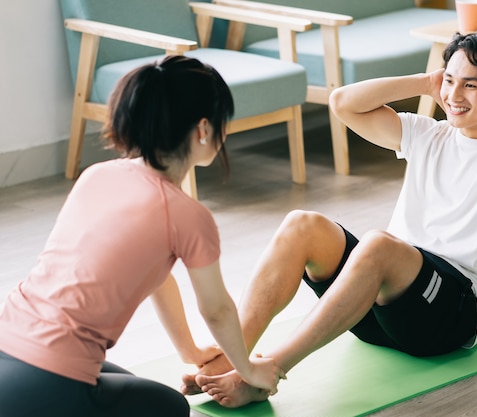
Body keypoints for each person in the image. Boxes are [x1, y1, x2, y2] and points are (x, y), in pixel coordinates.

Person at [183, 26, 477, 408]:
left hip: (450, 315)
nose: (453, 96)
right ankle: (235, 357)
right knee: (302, 224)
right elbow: (343, 102)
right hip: (382, 306)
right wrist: (430, 82)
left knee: (380, 245)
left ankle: (269, 371)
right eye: (449, 81)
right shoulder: (430, 134)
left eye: (471, 86)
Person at [0, 55, 284, 417]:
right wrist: (248, 369)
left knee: (133, 386)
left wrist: (192, 353)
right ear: (202, 129)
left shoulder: (98, 175)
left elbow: (154, 276)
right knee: (169, 407)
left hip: (7, 345)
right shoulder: (187, 215)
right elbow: (217, 310)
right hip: (47, 378)